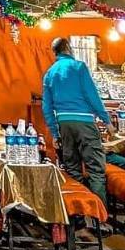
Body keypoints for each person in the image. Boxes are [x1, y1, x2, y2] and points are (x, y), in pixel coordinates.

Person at [42, 37, 112, 205]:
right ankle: (99, 218)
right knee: (95, 169)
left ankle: (79, 216)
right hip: (84, 122)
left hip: (63, 124)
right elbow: (92, 95)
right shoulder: (79, 67)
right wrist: (106, 120)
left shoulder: (50, 73)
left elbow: (46, 107)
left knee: (72, 170)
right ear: (68, 48)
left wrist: (54, 132)